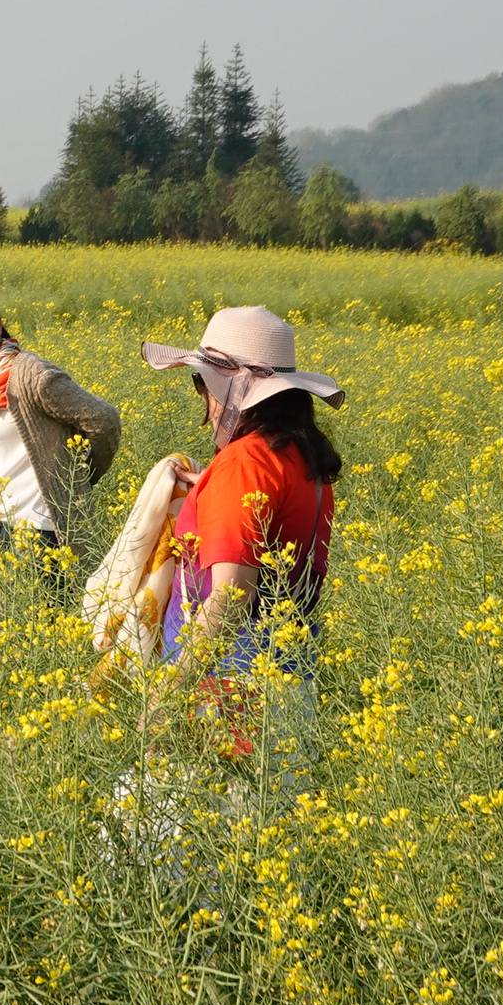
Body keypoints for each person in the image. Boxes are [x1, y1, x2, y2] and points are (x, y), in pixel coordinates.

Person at [141, 306, 344, 758]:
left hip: (227, 692)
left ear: (231, 391)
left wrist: (170, 692)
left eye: (202, 383)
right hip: (288, 684)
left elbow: (230, 598)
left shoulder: (244, 465)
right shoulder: (299, 457)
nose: (201, 397)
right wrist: (205, 496)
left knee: (168, 821)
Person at [0, 288, 121, 554]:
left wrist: (77, 478)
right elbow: (7, 441)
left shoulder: (31, 374)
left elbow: (104, 420)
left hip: (38, 530)